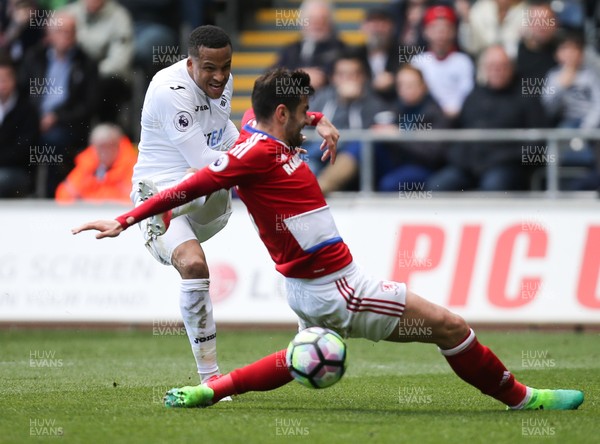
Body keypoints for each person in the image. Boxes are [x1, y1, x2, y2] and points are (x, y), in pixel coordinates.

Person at [73, 67, 584, 412]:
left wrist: (320, 121)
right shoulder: (254, 155)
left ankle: (209, 391)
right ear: (281, 115)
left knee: (303, 355)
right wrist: (126, 218)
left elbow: (276, 120)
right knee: (450, 326)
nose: (308, 119)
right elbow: (194, 184)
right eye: (303, 112)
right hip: (339, 287)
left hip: (306, 287)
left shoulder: (260, 129)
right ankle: (524, 399)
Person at [109, 25, 340, 387]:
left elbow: (231, 134)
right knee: (193, 265)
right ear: (191, 63)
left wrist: (304, 122)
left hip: (207, 198)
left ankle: (309, 319)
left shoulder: (223, 83)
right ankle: (211, 379)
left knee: (279, 214)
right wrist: (267, 155)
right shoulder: (169, 92)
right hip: (161, 188)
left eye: (226, 66)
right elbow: (204, 160)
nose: (219, 77)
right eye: (210, 68)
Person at [427, 45, 549, 191]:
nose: (497, 71)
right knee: (437, 186)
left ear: (512, 67)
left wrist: (505, 158)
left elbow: (537, 143)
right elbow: (457, 132)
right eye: (492, 66)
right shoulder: (474, 95)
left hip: (507, 166)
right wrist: (460, 158)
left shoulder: (527, 97)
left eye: (502, 66)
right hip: (468, 165)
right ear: (484, 68)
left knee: (493, 186)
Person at [19, 10, 98, 197]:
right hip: (33, 118)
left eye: (70, 31)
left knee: (53, 141)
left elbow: (89, 105)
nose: (66, 36)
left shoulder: (85, 62)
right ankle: (20, 189)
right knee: (16, 135)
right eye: (61, 31)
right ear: (50, 34)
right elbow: (22, 92)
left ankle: (51, 195)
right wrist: (34, 117)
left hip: (66, 123)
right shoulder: (35, 57)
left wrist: (57, 117)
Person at [307, 51, 392, 193]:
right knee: (310, 158)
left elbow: (382, 135)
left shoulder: (376, 102)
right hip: (321, 154)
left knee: (361, 143)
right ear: (333, 78)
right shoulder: (321, 98)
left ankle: (317, 190)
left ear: (363, 77)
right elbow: (304, 127)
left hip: (361, 164)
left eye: (354, 75)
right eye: (342, 75)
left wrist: (353, 102)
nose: (348, 79)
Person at [373, 64, 450, 192]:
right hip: (397, 161)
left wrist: (400, 136)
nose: (405, 89)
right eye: (401, 85)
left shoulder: (434, 113)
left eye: (410, 85)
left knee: (388, 184)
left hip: (424, 166)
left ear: (423, 86)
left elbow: (433, 153)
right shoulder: (396, 108)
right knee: (362, 149)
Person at [411, 4, 474, 120]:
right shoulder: (418, 61)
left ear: (454, 32)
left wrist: (454, 108)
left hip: (457, 118)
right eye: (434, 28)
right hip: (425, 118)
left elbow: (467, 92)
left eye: (445, 28)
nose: (440, 34)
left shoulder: (463, 61)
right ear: (425, 31)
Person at [274, 0, 347, 90]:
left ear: (330, 23)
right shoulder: (291, 49)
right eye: (312, 20)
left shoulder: (342, 50)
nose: (317, 24)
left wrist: (324, 78)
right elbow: (270, 78)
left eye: (322, 19)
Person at [55, 123, 137, 202]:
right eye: (100, 147)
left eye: (108, 146)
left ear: (118, 146)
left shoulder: (132, 165)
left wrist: (89, 197)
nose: (104, 152)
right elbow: (64, 193)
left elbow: (130, 199)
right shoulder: (87, 163)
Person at [0, 53, 39, 197]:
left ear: (14, 79)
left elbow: (23, 150)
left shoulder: (27, 110)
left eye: (5, 78)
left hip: (17, 171)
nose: (2, 84)